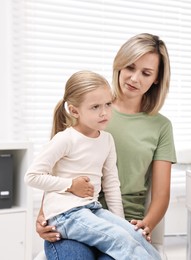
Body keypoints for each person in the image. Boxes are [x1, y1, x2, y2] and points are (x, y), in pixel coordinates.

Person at [36, 33, 177, 259]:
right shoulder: (89, 106)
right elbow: (55, 168)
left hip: (123, 219)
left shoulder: (161, 126)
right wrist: (43, 214)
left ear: (157, 79)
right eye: (130, 67)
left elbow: (161, 194)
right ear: (119, 66)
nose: (134, 78)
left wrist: (144, 226)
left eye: (146, 73)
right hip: (72, 215)